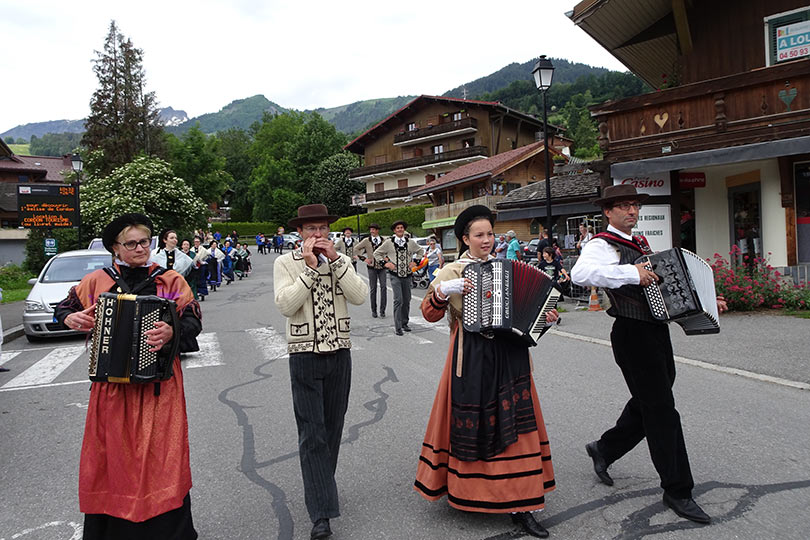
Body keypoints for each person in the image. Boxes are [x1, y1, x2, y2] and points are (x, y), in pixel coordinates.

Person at [571, 184, 728, 525]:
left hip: (655, 331)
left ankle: (605, 448)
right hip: (631, 334)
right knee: (662, 411)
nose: (632, 211)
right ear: (608, 212)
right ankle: (677, 489)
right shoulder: (602, 244)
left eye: (634, 206)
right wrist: (632, 273)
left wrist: (704, 301)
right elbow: (580, 274)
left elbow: (662, 288)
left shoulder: (638, 243)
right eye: (624, 206)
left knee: (651, 401)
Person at [414, 205, 558, 538]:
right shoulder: (453, 269)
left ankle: (522, 504)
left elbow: (529, 317)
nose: (487, 240)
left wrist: (547, 319)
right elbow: (428, 314)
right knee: (477, 423)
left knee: (519, 425)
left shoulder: (506, 266)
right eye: (479, 235)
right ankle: (468, 490)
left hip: (511, 356)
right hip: (473, 356)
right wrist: (440, 293)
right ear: (464, 238)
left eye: (490, 234)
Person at [54, 213, 201, 539]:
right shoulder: (97, 282)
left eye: (144, 242)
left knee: (162, 459)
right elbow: (62, 310)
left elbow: (193, 324)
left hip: (159, 393)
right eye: (131, 243)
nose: (140, 249)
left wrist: (170, 331)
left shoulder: (170, 281)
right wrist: (71, 319)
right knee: (112, 460)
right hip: (112, 393)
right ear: (116, 249)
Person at [273, 204, 368, 540]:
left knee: (332, 427)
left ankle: (320, 487)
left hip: (340, 352)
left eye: (322, 229)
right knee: (312, 433)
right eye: (311, 229)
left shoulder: (342, 261)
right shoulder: (285, 263)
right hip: (304, 354)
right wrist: (311, 270)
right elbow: (286, 304)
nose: (317, 235)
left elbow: (359, 296)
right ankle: (321, 515)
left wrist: (338, 263)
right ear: (299, 233)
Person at [373, 220, 424, 336]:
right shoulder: (388, 243)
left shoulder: (410, 242)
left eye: (401, 228)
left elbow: (421, 250)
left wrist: (416, 261)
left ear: (404, 229)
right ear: (394, 231)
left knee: (407, 300)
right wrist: (385, 264)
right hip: (395, 275)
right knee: (398, 300)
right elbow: (377, 253)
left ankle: (404, 323)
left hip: (407, 275)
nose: (400, 229)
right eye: (397, 228)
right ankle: (398, 326)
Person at [354, 223, 387, 318]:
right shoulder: (366, 240)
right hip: (371, 267)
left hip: (382, 267)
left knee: (383, 288)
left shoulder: (384, 240)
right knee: (373, 289)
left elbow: (390, 250)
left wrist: (387, 259)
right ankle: (374, 310)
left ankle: (382, 310)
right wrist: (363, 259)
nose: (371, 231)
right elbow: (356, 248)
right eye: (371, 229)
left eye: (373, 229)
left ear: (377, 230)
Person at [189, 236, 210, 302]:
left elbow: (207, 255)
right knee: (195, 279)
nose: (196, 243)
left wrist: (201, 260)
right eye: (195, 242)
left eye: (197, 242)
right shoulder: (191, 250)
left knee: (202, 278)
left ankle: (202, 291)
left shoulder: (203, 249)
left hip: (201, 265)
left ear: (200, 242)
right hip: (195, 265)